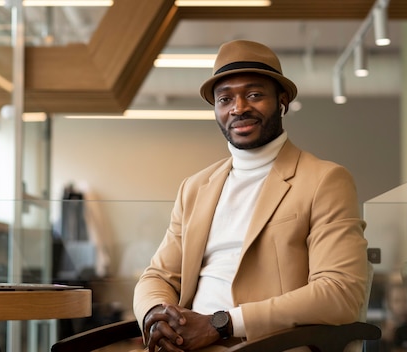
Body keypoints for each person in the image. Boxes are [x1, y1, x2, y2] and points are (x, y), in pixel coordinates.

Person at [133, 40, 370, 352]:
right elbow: (157, 276)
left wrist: (221, 324)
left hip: (268, 345)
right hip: (186, 344)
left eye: (254, 94)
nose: (239, 107)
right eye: (225, 98)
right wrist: (158, 314)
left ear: (282, 100)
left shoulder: (324, 180)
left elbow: (341, 293)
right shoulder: (194, 187)